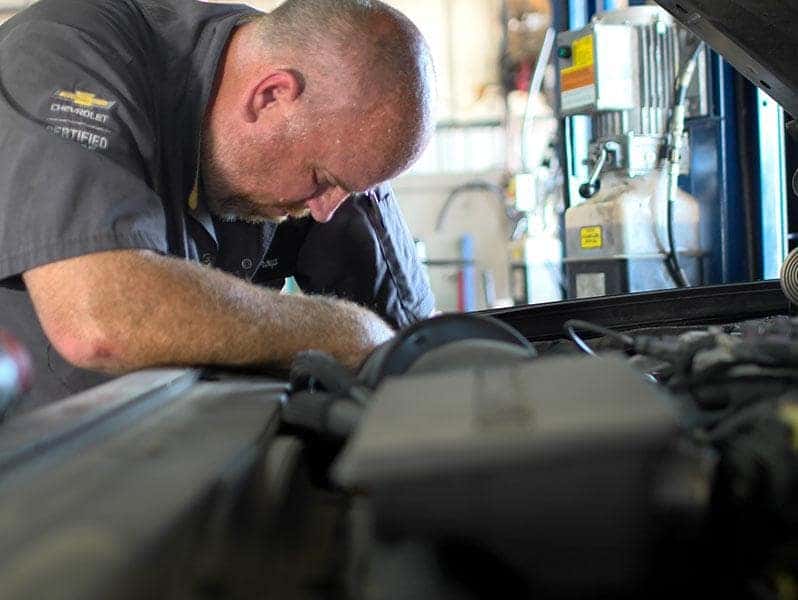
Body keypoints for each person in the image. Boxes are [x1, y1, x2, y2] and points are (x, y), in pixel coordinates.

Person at [0, 0, 437, 412]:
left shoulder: (328, 119)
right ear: (269, 96)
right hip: (31, 465)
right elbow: (100, 320)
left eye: (351, 190)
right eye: (323, 180)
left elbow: (412, 348)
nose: (325, 210)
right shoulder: (67, 53)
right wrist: (346, 334)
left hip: (168, 446)